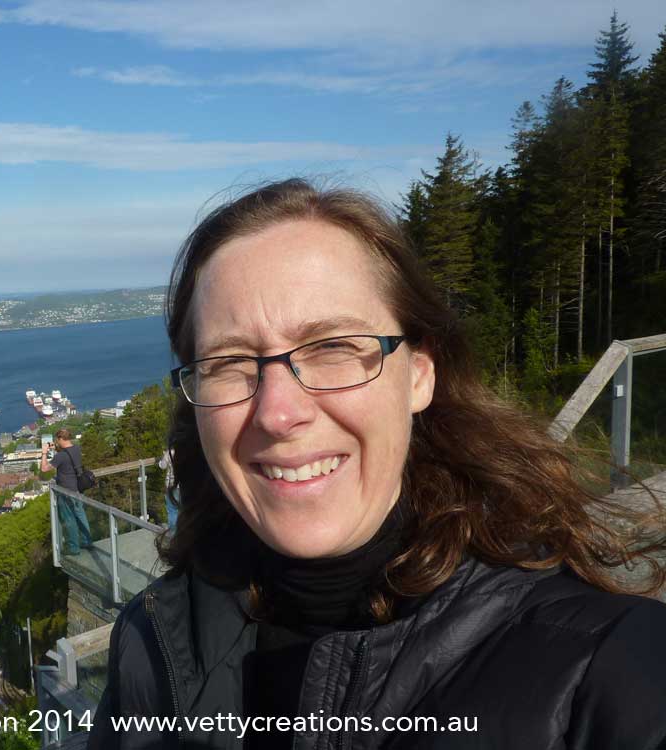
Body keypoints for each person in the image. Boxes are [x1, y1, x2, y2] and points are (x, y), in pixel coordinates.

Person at [89, 179, 666, 749]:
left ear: (419, 374)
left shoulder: (598, 669)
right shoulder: (152, 640)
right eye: (230, 361)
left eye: (333, 347)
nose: (277, 413)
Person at [41, 428, 93, 556]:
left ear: (60, 439)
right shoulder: (76, 449)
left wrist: (44, 453)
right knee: (81, 516)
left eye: (57, 440)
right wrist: (56, 449)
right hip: (78, 489)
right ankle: (87, 541)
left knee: (69, 520)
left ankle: (73, 548)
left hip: (66, 492)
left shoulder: (61, 456)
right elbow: (67, 459)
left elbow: (44, 468)